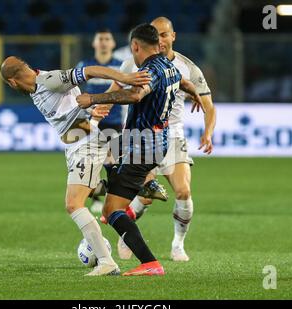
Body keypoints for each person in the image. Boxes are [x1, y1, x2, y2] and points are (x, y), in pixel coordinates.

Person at [0, 56, 151, 276]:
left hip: (86, 146)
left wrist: (124, 77)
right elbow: (71, 105)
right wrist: (90, 113)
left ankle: (106, 261)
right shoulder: (37, 89)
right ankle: (132, 188)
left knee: (73, 203)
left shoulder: (49, 80)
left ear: (12, 82)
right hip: (75, 148)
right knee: (88, 196)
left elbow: (89, 71)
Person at [76, 24, 203, 276]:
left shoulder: (150, 70)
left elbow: (135, 96)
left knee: (111, 210)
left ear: (135, 46)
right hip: (154, 142)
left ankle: (150, 263)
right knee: (107, 151)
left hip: (142, 145)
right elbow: (184, 83)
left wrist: (93, 98)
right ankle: (141, 184)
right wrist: (195, 94)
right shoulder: (170, 66)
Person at [109, 17, 217, 262]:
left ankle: (178, 243)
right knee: (145, 195)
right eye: (156, 36)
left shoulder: (186, 66)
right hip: (142, 135)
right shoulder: (132, 64)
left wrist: (207, 133)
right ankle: (126, 234)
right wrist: (98, 109)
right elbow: (114, 91)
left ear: (173, 36)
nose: (161, 41)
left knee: (183, 191)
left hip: (173, 134)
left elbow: (209, 105)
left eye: (165, 35)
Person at [75, 29, 125, 214]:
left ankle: (110, 197)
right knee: (90, 161)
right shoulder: (85, 66)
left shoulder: (120, 66)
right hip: (92, 120)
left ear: (112, 44)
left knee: (113, 162)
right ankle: (96, 196)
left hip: (114, 121)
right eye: (100, 39)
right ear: (94, 43)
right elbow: (77, 93)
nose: (103, 42)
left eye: (107, 39)